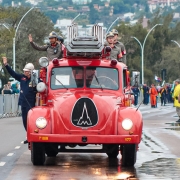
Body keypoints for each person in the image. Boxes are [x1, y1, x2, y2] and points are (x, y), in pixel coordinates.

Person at [2, 57, 36, 144]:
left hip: (31, 103)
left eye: (27, 71)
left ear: (31, 71)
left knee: (31, 121)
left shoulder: (35, 80)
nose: (25, 72)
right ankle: (28, 136)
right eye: (25, 71)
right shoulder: (22, 78)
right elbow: (13, 74)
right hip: (23, 102)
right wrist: (6, 65)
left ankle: (32, 136)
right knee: (24, 120)